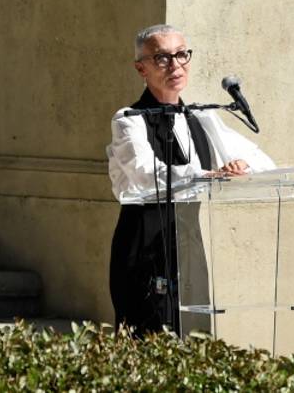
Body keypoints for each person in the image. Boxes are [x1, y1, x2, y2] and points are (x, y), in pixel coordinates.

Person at [106, 24, 275, 334]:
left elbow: (262, 161)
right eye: (162, 58)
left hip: (189, 243)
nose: (175, 66)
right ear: (141, 68)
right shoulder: (129, 119)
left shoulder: (201, 116)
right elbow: (145, 171)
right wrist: (204, 174)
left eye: (182, 55)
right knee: (147, 338)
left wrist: (240, 165)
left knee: (194, 336)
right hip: (143, 242)